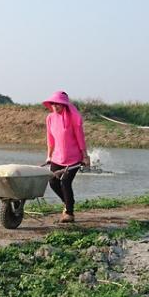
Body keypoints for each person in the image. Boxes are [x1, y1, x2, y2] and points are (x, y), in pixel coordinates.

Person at [43, 90, 90, 223]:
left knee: (65, 182)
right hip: (57, 157)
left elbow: (80, 138)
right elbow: (50, 139)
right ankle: (68, 201)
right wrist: (49, 156)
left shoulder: (73, 118)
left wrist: (85, 156)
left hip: (73, 157)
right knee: (52, 181)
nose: (55, 106)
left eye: (58, 104)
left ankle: (69, 213)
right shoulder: (50, 118)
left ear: (64, 104)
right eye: (53, 104)